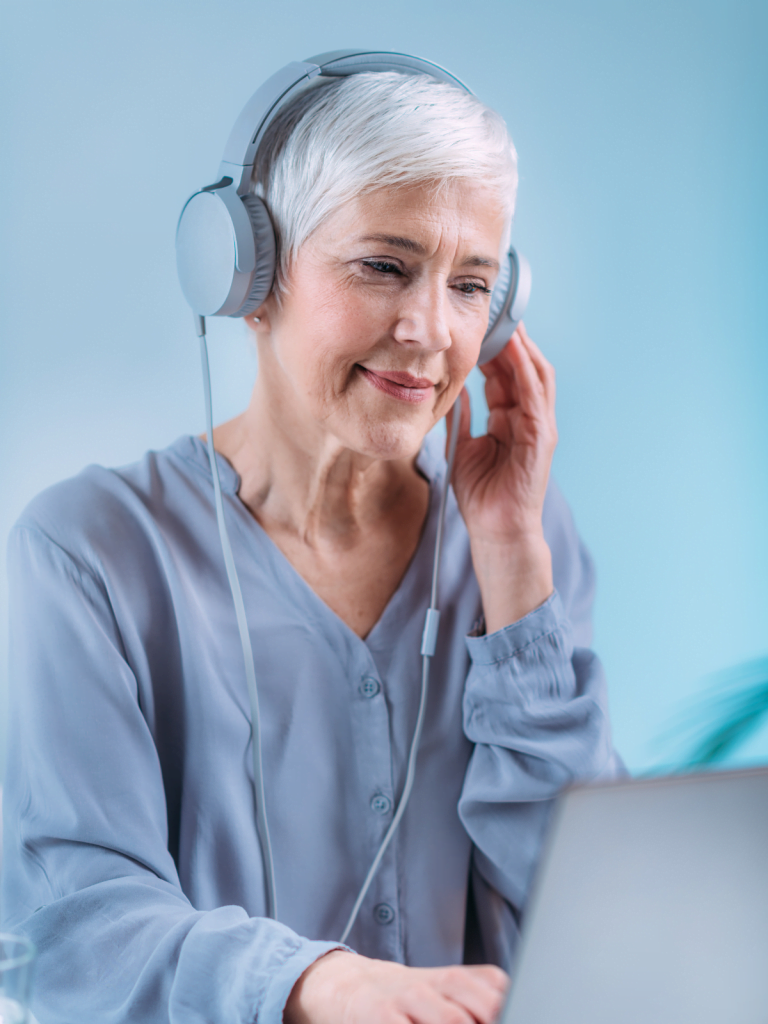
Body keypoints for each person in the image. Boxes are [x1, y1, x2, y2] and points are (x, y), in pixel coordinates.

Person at [3, 67, 623, 1024]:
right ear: (248, 275)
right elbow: (76, 931)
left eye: (471, 285)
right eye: (383, 265)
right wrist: (309, 986)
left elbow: (588, 921)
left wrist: (510, 559)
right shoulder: (91, 554)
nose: (429, 332)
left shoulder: (522, 542)